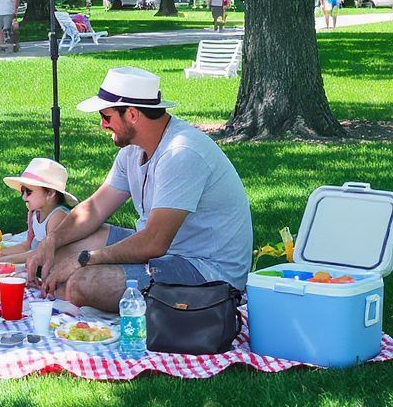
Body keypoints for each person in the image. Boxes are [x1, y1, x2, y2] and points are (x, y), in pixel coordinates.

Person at [28, 66, 253, 310]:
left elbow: (154, 242)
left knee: (82, 283)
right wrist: (52, 240)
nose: (103, 125)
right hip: (163, 254)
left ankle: (76, 296)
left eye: (106, 116)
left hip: (207, 272)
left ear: (132, 115)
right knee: (59, 253)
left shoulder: (181, 152)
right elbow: (94, 209)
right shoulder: (132, 151)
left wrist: (85, 260)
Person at [0, 158, 77, 264]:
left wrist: (7, 260)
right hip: (36, 260)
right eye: (22, 192)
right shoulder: (34, 213)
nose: (24, 197)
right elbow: (27, 245)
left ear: (50, 193)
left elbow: (45, 253)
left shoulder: (57, 217)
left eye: (28, 192)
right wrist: (0, 254)